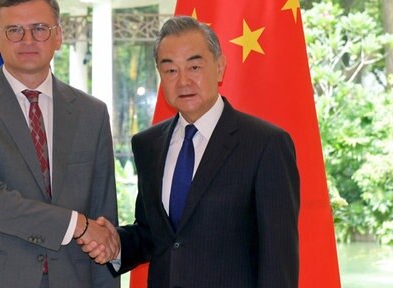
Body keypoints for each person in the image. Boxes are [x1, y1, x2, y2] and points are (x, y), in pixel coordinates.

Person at [82, 16, 300, 287]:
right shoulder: (148, 144)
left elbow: (278, 261)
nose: (183, 81)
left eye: (194, 66)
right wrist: (114, 244)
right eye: (171, 70)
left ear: (219, 68)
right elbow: (155, 235)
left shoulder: (265, 144)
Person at [0, 0, 120, 288]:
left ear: (58, 36)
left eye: (39, 28)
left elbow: (103, 219)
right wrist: (77, 224)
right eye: (14, 31)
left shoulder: (92, 113)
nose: (27, 40)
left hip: (72, 278)